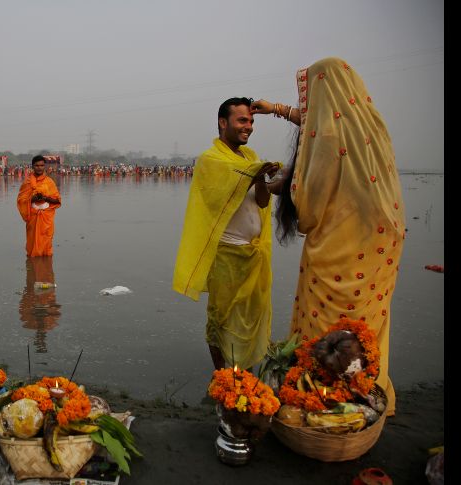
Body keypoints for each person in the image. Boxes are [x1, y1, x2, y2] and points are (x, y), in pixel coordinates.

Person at [250, 57, 404, 415]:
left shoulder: (331, 135)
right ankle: (368, 390)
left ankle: (323, 398)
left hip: (342, 245)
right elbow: (322, 123)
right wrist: (276, 109)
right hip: (381, 239)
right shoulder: (368, 124)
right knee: (366, 322)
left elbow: (310, 200)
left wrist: (280, 188)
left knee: (330, 323)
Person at [172, 97, 280, 371]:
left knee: (251, 314)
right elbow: (215, 201)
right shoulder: (211, 160)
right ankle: (222, 375)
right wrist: (251, 175)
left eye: (252, 121)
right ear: (223, 122)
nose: (249, 127)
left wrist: (261, 178)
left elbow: (263, 203)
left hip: (253, 252)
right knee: (221, 316)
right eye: (242, 120)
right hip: (226, 252)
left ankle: (245, 371)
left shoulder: (251, 158)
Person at [16, 155, 62, 257]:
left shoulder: (49, 182)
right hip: (32, 216)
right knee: (32, 243)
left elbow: (57, 200)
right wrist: (33, 199)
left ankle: (45, 267)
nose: (39, 168)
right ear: (32, 166)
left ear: (44, 166)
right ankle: (33, 265)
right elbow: (21, 200)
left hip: (47, 218)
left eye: (41, 165)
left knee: (46, 243)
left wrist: (46, 198)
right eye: (37, 165)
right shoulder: (27, 182)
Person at [19, 256, 61, 353]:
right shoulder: (48, 321)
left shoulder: (33, 321)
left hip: (39, 298)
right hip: (40, 298)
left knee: (37, 277)